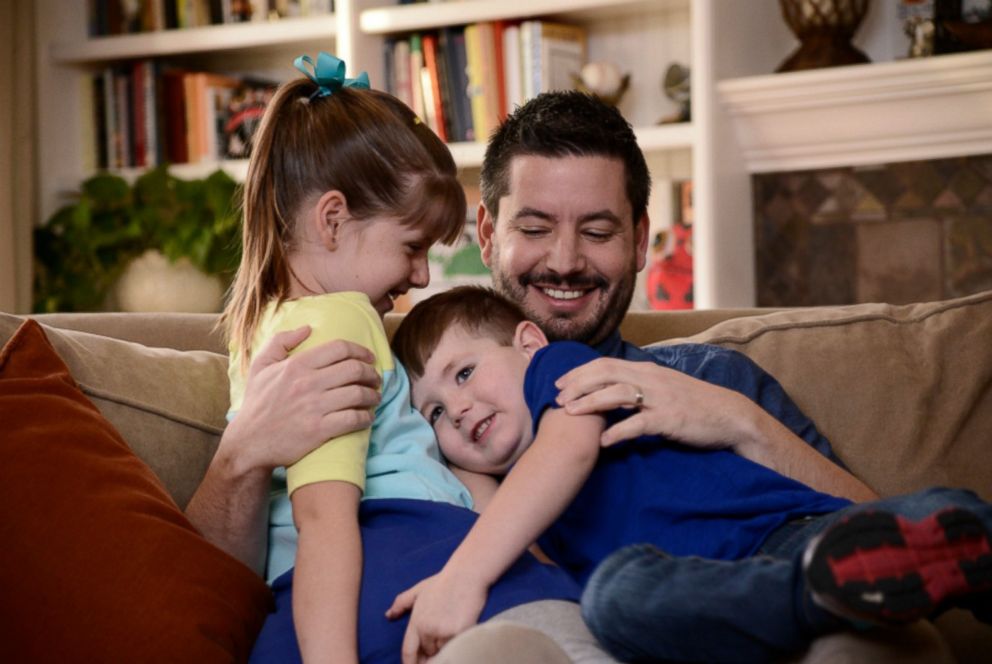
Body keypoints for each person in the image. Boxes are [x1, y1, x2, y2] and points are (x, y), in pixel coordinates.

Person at [387, 284, 992, 663]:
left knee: (914, 522)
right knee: (614, 598)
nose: (458, 409)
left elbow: (566, 453)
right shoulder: (519, 506)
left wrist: (462, 576)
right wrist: (460, 475)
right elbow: (524, 555)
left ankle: (956, 539)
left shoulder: (565, 371)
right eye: (434, 412)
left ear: (527, 343)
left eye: (463, 374)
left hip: (780, 532)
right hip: (699, 593)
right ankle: (821, 593)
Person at [216, 53, 586, 664]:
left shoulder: (257, 334)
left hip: (303, 613)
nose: (419, 275)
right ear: (333, 219)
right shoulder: (341, 317)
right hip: (401, 575)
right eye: (412, 246)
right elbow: (326, 525)